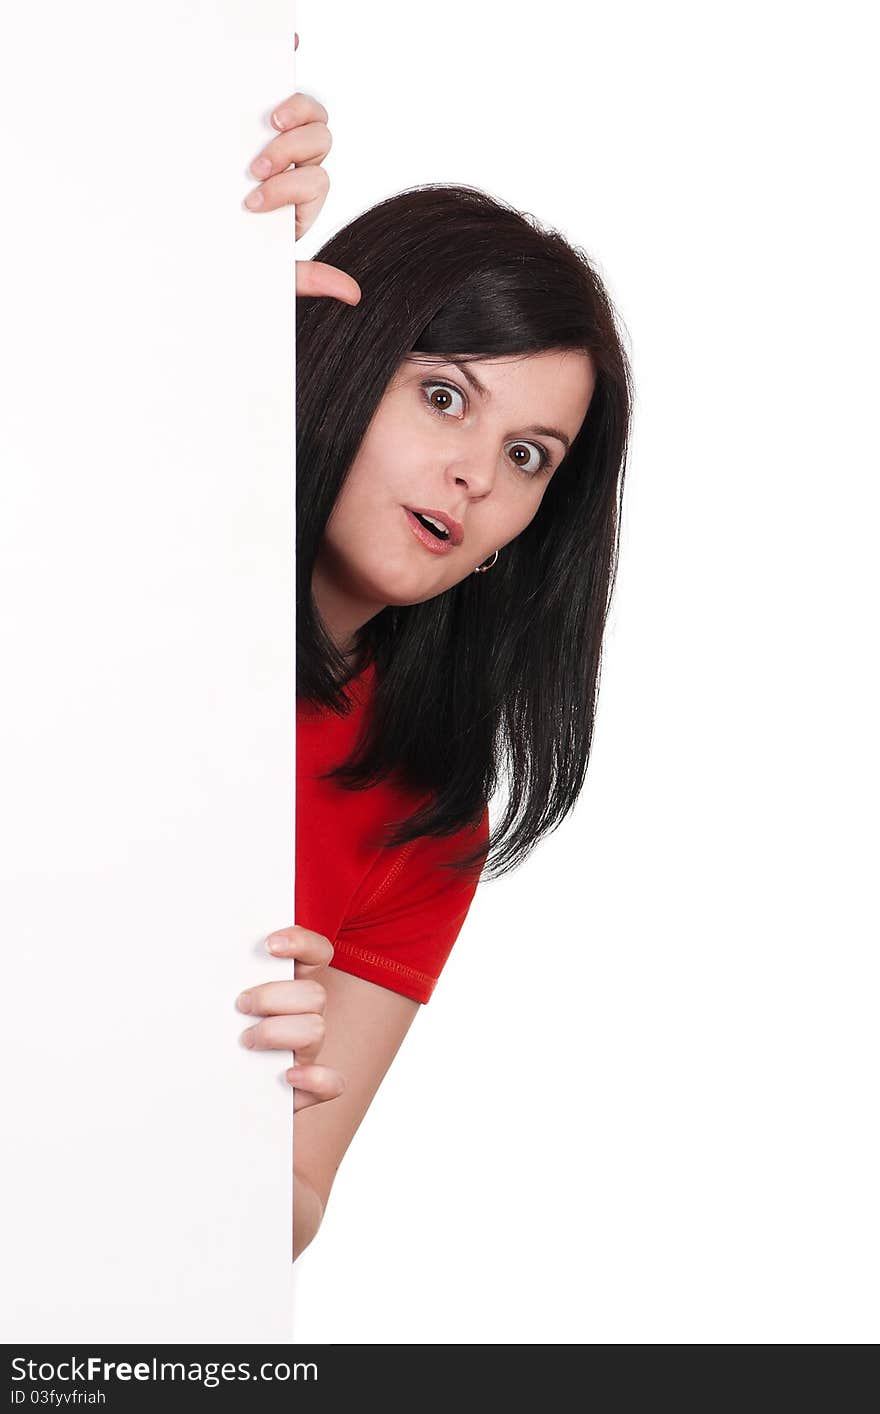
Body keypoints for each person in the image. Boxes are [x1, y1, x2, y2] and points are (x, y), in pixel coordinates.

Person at [236, 68, 633, 1260]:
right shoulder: (123, 576)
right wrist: (185, 260)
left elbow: (296, 1199)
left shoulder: (429, 814)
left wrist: (224, 1112)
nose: (477, 474)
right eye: (444, 396)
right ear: (335, 355)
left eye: (526, 452)